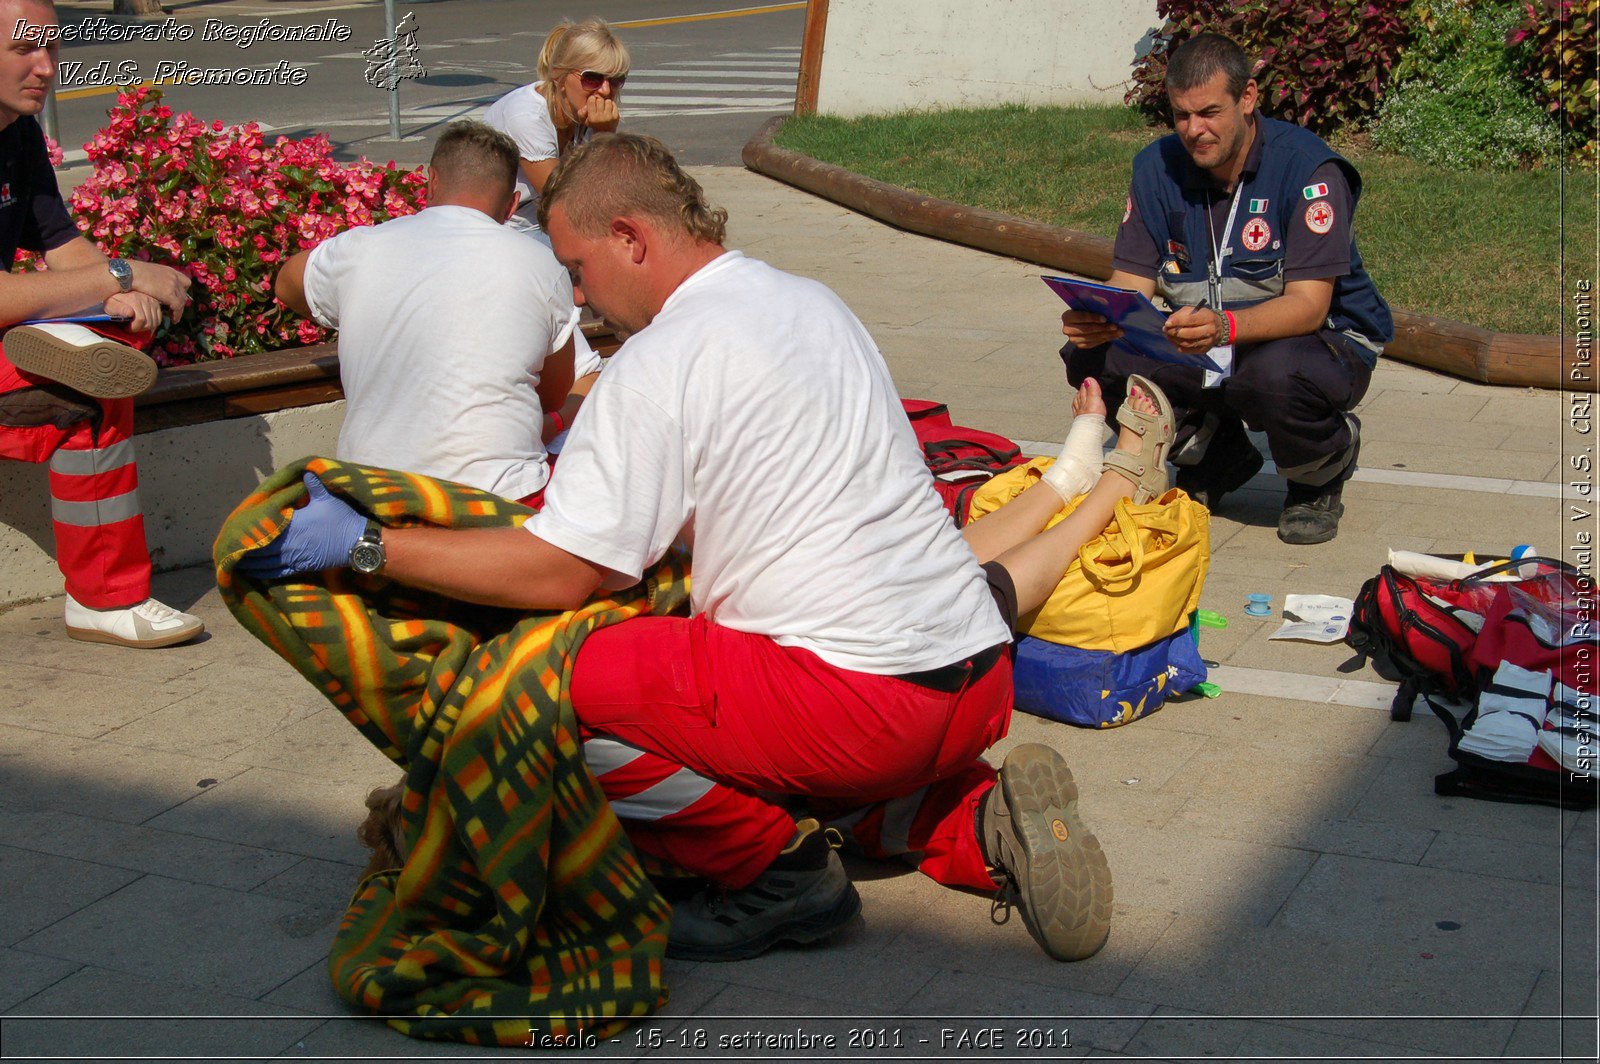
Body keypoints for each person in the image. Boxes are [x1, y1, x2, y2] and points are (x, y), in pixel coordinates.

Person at [240, 134, 1177, 965]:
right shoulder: (811, 301)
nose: (575, 293)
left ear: (631, 239)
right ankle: (975, 822)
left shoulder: (658, 361)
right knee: (728, 710)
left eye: (575, 266)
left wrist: (369, 545)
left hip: (862, 708)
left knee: (545, 683)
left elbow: (567, 570)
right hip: (974, 679)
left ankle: (780, 875)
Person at [1059, 33, 1392, 545]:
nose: (1195, 131)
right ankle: (1215, 456)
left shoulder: (1309, 171)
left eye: (1210, 112)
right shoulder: (1155, 168)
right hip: (1211, 338)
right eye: (1182, 116)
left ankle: (1320, 471)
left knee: (1274, 374)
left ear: (1249, 98)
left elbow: (1308, 305)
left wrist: (1225, 327)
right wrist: (1097, 315)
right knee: (1093, 357)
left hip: (1318, 341)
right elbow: (1131, 282)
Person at [0, 0, 201, 648]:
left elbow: (62, 244)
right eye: (25, 49)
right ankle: (106, 599)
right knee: (93, 385)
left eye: (52, 49)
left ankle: (106, 598)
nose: (45, 67)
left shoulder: (17, 134)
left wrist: (118, 298)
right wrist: (119, 276)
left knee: (108, 352)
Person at [273, 121, 578, 506]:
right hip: (497, 499)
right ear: (513, 205)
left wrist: (343, 311)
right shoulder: (543, 265)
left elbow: (286, 283)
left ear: (430, 182)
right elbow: (552, 395)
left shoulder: (359, 249)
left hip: (371, 496)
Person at [482, 17, 628, 244]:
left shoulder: (581, 111)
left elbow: (605, 190)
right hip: (507, 227)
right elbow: (563, 202)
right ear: (559, 75)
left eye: (616, 80)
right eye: (592, 78)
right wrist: (604, 138)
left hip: (543, 223)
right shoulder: (526, 116)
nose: (605, 90)